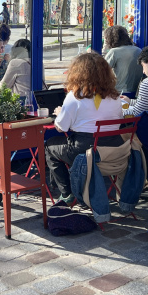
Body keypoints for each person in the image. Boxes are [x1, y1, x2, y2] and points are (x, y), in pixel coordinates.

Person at [45, 53, 125, 203]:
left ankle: (67, 193)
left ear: (78, 73)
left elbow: (61, 127)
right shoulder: (114, 97)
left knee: (50, 146)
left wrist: (60, 113)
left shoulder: (74, 96)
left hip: (86, 151)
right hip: (114, 150)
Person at [103, 25, 143, 95]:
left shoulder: (114, 52)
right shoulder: (138, 50)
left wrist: (104, 50)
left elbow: (102, 71)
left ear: (109, 39)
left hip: (119, 91)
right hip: (137, 91)